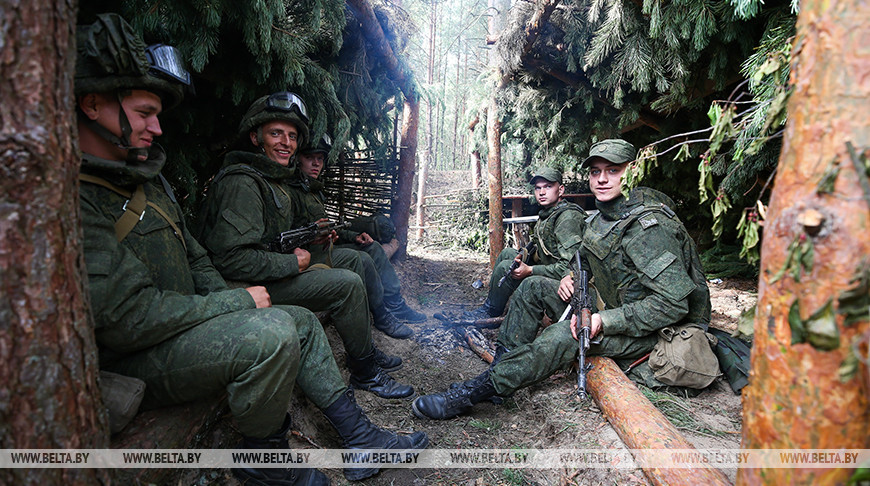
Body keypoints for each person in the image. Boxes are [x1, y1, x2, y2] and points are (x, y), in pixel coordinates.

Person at [75, 14, 426, 485]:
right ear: (92, 104)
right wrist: (238, 301)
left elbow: (197, 255)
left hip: (186, 323)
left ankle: (358, 435)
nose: (158, 128)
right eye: (144, 113)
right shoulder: (74, 197)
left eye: (292, 136)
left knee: (298, 319)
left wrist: (230, 305)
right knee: (275, 331)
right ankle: (265, 465)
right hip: (134, 357)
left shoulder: (146, 178)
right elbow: (125, 318)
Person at [412, 139, 711, 420]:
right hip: (617, 310)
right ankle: (503, 369)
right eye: (596, 172)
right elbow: (584, 259)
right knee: (532, 286)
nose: (602, 179)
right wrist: (570, 276)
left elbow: (673, 305)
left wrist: (603, 320)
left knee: (560, 335)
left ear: (632, 172)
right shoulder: (605, 216)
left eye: (613, 170)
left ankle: (474, 392)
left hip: (656, 331)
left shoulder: (648, 228)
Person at [197, 92, 415, 400]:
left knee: (357, 263)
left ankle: (365, 351)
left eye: (292, 136)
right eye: (276, 133)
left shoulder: (274, 179)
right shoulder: (243, 183)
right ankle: (365, 374)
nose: (286, 142)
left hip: (269, 272)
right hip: (244, 287)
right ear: (256, 137)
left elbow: (278, 235)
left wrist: (310, 239)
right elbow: (230, 260)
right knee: (348, 285)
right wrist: (292, 263)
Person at [296, 134, 427, 323]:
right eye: (309, 158)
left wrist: (354, 236)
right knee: (364, 257)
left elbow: (327, 227)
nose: (316, 164)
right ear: (298, 159)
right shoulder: (295, 191)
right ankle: (383, 312)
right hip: (310, 258)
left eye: (320, 159)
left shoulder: (314, 190)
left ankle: (396, 305)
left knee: (372, 246)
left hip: (325, 248)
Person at [461, 167, 586, 322]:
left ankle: (491, 313)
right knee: (507, 254)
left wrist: (530, 270)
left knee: (504, 267)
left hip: (562, 279)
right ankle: (494, 305)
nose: (541, 192)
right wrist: (524, 253)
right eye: (538, 188)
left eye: (548, 187)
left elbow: (570, 268)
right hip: (550, 266)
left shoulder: (567, 218)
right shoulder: (549, 213)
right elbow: (542, 245)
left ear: (560, 190)